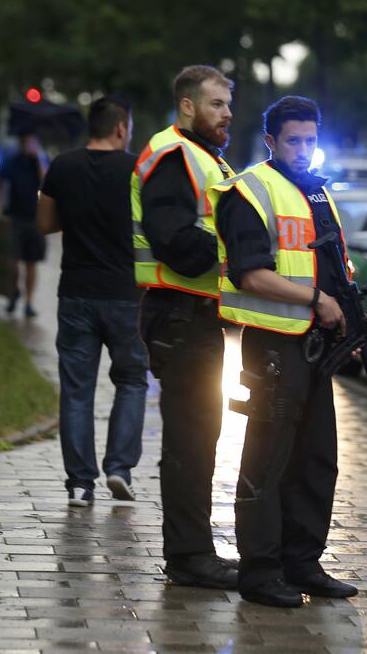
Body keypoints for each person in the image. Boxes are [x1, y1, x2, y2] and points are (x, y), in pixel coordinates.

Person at [210, 95, 357, 608]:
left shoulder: (318, 192)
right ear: (271, 141)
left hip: (315, 346)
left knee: (317, 459)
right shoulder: (248, 192)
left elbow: (334, 267)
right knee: (268, 459)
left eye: (311, 140)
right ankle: (260, 571)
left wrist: (349, 322)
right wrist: (317, 300)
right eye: (294, 141)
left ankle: (303, 563)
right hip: (273, 345)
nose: (303, 149)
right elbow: (250, 274)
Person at [132, 65, 237, 589]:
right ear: (188, 106)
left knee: (200, 438)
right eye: (216, 104)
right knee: (191, 441)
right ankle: (189, 557)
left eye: (229, 104)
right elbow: (175, 242)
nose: (227, 114)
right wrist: (238, 248)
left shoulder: (204, 157)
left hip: (193, 315)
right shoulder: (174, 155)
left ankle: (194, 551)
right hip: (179, 313)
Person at [36, 96, 148, 508]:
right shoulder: (139, 169)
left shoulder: (62, 166)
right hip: (127, 294)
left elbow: (45, 223)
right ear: (121, 128)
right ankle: (119, 468)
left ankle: (80, 484)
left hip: (76, 293)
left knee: (77, 390)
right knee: (132, 381)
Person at [0, 132, 48, 317]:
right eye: (29, 141)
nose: (31, 144)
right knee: (13, 262)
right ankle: (13, 293)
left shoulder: (40, 160)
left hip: (35, 218)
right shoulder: (12, 160)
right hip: (13, 218)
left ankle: (29, 302)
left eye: (34, 141)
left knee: (32, 263)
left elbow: (46, 181)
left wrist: (39, 159)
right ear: (23, 142)